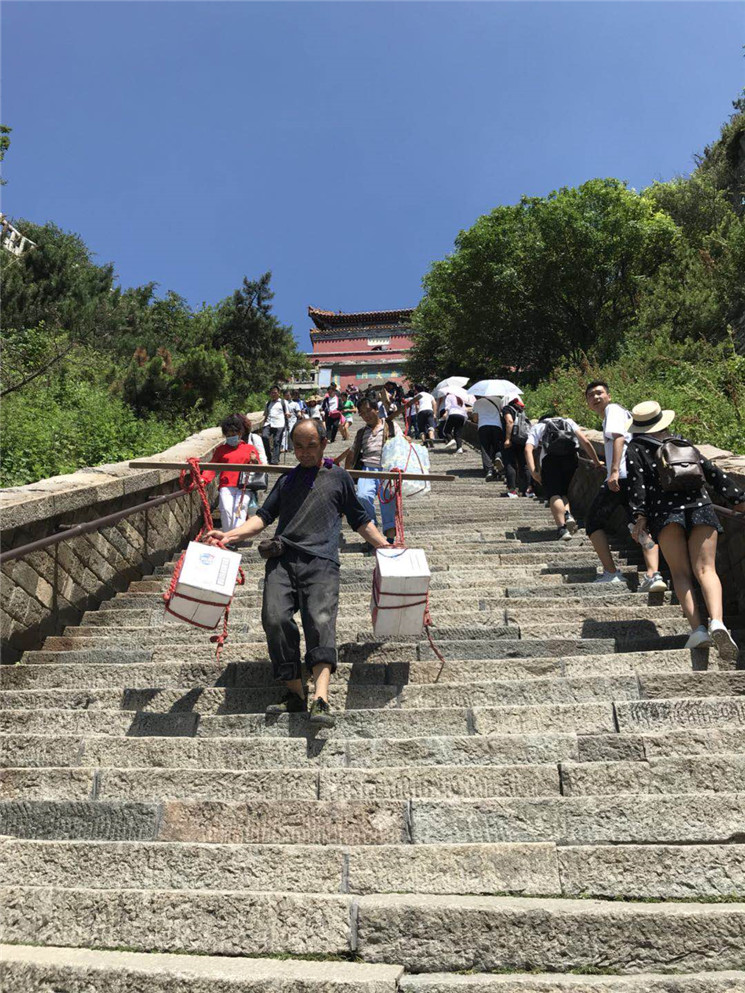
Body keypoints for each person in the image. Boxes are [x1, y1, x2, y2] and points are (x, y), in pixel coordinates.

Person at [204, 419, 390, 726]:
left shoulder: (339, 477)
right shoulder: (287, 480)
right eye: (299, 446)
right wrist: (229, 535)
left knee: (320, 622)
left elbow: (359, 519)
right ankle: (294, 693)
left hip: (321, 562)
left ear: (324, 444)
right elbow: (263, 517)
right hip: (282, 560)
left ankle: (321, 698)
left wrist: (385, 546)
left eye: (311, 446)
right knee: (274, 619)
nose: (304, 452)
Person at [625, 401, 745, 664]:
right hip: (701, 508)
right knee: (707, 570)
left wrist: (639, 516)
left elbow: (636, 486)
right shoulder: (680, 442)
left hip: (665, 514)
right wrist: (738, 499)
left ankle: (698, 630)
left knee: (680, 574)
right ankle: (718, 622)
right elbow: (712, 471)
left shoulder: (635, 448)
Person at [584, 381, 667, 590]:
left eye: (599, 393)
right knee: (638, 524)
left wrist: (613, 471)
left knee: (593, 522)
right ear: (587, 403)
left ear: (609, 396)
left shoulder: (612, 410)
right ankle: (653, 575)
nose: (596, 397)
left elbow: (619, 438)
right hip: (635, 477)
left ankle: (612, 573)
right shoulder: (622, 413)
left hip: (621, 477)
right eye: (591, 395)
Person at [525, 414, 603, 541]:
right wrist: (597, 461)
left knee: (553, 494)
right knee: (563, 492)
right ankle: (567, 514)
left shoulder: (540, 426)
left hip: (550, 461)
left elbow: (528, 449)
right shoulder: (568, 422)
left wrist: (534, 472)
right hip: (571, 459)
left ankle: (562, 529)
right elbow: (585, 441)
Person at [345, 397, 402, 543]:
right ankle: (372, 532)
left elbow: (402, 443)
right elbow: (352, 451)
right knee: (362, 496)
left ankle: (390, 538)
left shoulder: (391, 426)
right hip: (367, 469)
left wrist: (405, 441)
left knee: (388, 498)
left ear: (376, 409)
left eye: (368, 410)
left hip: (387, 469)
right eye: (362, 413)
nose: (366, 415)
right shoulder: (361, 433)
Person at [200, 415, 262, 532]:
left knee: (240, 509)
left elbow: (259, 468)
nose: (231, 437)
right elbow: (212, 467)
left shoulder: (250, 448)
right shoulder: (221, 450)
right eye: (228, 435)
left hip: (244, 486)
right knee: (226, 510)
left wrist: (254, 460)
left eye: (233, 434)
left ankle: (235, 536)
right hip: (226, 485)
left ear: (240, 433)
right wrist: (204, 479)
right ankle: (228, 535)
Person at [501, 395, 530, 497]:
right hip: (522, 439)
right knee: (524, 465)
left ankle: (512, 490)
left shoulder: (507, 409)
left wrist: (508, 439)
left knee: (510, 464)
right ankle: (528, 490)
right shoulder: (521, 409)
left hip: (512, 440)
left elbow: (509, 421)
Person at [471, 395, 504, 481]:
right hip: (497, 426)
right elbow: (503, 413)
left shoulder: (477, 402)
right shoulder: (499, 400)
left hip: (483, 427)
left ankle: (489, 470)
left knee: (485, 449)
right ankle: (498, 457)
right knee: (498, 446)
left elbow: (475, 419)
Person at [261, 386, 290, 465]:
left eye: (275, 393)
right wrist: (263, 424)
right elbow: (265, 414)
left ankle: (275, 460)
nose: (273, 394)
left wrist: (288, 415)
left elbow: (287, 413)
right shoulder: (268, 403)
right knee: (264, 437)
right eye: (272, 393)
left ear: (279, 393)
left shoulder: (284, 402)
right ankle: (268, 457)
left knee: (277, 441)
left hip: (279, 424)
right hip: (269, 423)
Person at [410, 385, 436, 449]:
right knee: (431, 427)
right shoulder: (429, 395)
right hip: (429, 411)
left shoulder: (417, 396)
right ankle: (431, 440)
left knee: (422, 429)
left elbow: (417, 406)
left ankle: (424, 443)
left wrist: (417, 414)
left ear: (417, 390)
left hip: (421, 412)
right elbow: (434, 403)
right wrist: (434, 413)